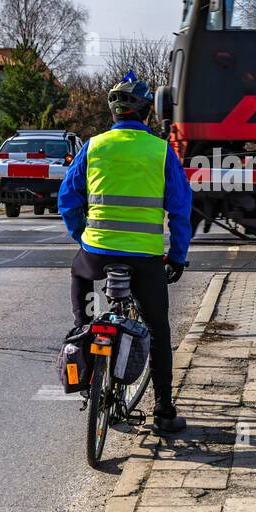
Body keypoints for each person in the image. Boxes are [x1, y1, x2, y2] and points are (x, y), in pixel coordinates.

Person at [58, 72, 194, 434]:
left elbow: (67, 200)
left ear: (114, 112)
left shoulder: (94, 146)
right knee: (158, 330)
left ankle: (82, 327)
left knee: (80, 278)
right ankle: (164, 412)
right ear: (147, 112)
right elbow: (181, 210)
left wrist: (82, 236)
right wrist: (177, 256)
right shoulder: (161, 150)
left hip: (97, 253)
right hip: (145, 259)